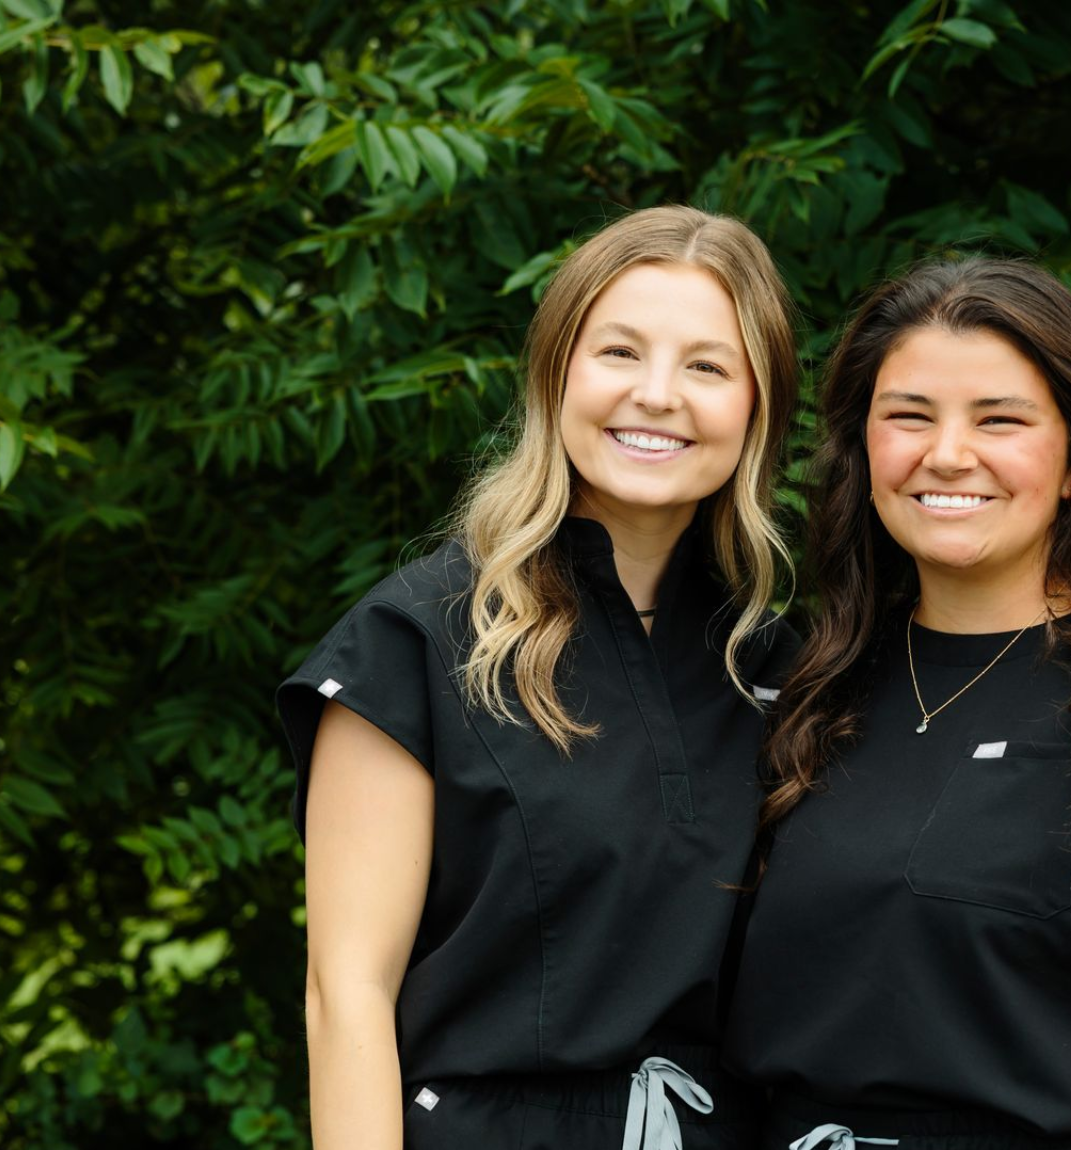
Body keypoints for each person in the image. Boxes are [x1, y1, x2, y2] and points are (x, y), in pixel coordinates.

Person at [725, 257, 1071, 1150]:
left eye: (1000, 420)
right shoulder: (814, 689)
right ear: (862, 450)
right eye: (908, 416)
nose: (947, 454)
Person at [275, 205, 801, 1150]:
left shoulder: (781, 667)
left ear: (759, 409)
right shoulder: (417, 642)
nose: (658, 394)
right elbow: (345, 996)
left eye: (708, 366)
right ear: (556, 375)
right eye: (619, 353)